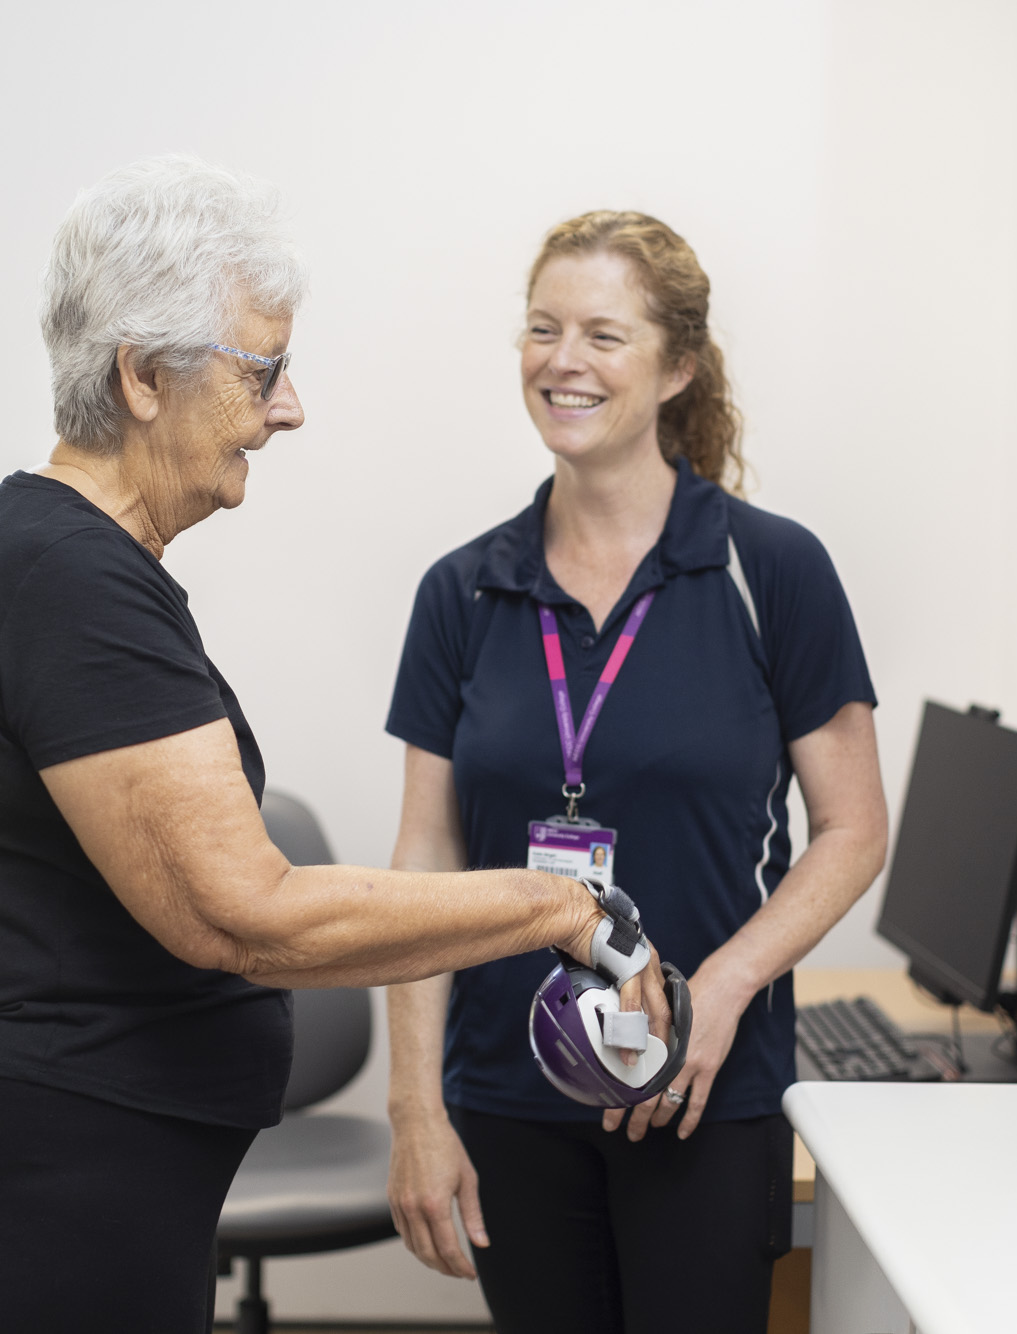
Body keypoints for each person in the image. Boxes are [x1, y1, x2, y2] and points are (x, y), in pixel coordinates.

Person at [0, 160, 670, 1334]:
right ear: (139, 374)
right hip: (47, 1151)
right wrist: (556, 911)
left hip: (66, 1145)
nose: (287, 408)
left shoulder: (60, 561)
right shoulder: (66, 583)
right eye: (261, 370)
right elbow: (246, 914)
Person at [383, 211, 889, 1334]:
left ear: (676, 367)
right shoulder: (461, 593)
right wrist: (412, 1102)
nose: (563, 359)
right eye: (542, 327)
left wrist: (721, 985)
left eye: (603, 335)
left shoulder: (772, 571)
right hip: (507, 1091)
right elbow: (425, 859)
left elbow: (852, 827)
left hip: (699, 1085)